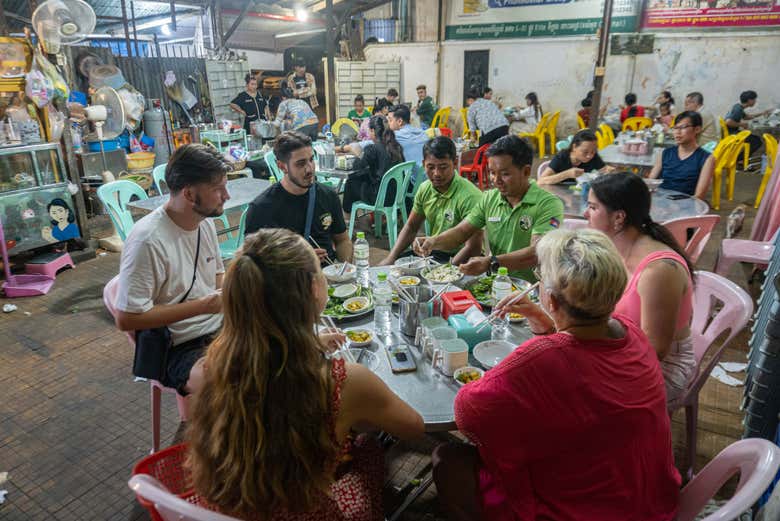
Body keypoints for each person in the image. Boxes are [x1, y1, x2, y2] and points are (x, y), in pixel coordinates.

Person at [432, 228, 680, 521]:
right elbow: (583, 375)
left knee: (445, 459)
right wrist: (544, 320)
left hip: (587, 511)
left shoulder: (543, 358)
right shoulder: (631, 331)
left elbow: (467, 413)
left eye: (539, 278)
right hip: (650, 498)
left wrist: (533, 347)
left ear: (550, 299)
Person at [188, 228, 424, 521]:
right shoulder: (345, 381)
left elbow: (265, 368)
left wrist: (307, 343)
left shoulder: (210, 367)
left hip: (228, 508)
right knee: (369, 448)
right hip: (309, 512)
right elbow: (414, 428)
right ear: (314, 288)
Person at [114, 144, 229, 397]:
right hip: (178, 346)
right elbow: (126, 319)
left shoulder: (204, 223)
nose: (226, 195)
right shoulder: (148, 240)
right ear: (189, 194)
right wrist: (203, 306)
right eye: (218, 189)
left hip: (220, 327)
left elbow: (218, 278)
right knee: (227, 381)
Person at [586, 172, 696, 404]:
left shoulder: (658, 271)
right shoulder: (615, 247)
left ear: (618, 218)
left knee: (576, 393)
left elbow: (654, 351)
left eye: (593, 208)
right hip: (621, 343)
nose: (586, 214)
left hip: (662, 367)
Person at [414, 135, 564, 281]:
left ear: (525, 171)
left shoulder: (548, 204)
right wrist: (433, 241)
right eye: (492, 173)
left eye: (505, 174)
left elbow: (537, 253)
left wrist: (490, 262)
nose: (496, 180)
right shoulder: (490, 198)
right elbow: (461, 232)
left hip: (534, 288)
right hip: (496, 284)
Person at [246, 132, 351, 264]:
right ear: (282, 166)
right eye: (300, 164)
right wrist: (298, 260)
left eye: (311, 159)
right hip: (287, 282)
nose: (309, 169)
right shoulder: (261, 208)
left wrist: (345, 270)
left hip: (327, 277)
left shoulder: (328, 196)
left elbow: (342, 240)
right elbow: (253, 264)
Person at [379, 137, 483, 266]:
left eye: (443, 167)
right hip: (434, 253)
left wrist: (446, 271)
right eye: (431, 167)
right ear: (423, 164)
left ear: (455, 163)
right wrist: (391, 257)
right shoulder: (425, 188)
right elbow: (411, 227)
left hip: (464, 259)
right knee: (394, 269)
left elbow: (473, 247)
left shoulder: (470, 196)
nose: (436, 173)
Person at [342, 115, 404, 214]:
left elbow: (356, 168)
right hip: (397, 195)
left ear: (372, 131)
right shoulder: (396, 147)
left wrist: (359, 153)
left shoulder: (372, 149)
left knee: (351, 183)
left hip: (380, 198)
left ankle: (348, 217)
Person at [648, 111, 715, 199]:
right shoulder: (666, 153)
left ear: (697, 129)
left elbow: (699, 195)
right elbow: (650, 182)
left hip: (686, 205)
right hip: (661, 202)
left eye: (683, 127)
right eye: (675, 128)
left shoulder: (706, 158)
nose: (677, 132)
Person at [537, 130, 612, 185]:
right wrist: (566, 174)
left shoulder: (594, 157)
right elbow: (541, 181)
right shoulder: (562, 157)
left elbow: (604, 170)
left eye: (593, 151)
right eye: (585, 152)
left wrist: (610, 171)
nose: (589, 156)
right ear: (574, 147)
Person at [725, 90, 770, 156]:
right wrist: (742, 124)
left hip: (733, 132)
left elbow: (746, 117)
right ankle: (738, 159)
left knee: (755, 139)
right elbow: (728, 122)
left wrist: (762, 113)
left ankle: (741, 158)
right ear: (749, 100)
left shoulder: (738, 106)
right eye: (754, 99)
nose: (755, 101)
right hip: (732, 134)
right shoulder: (738, 109)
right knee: (757, 141)